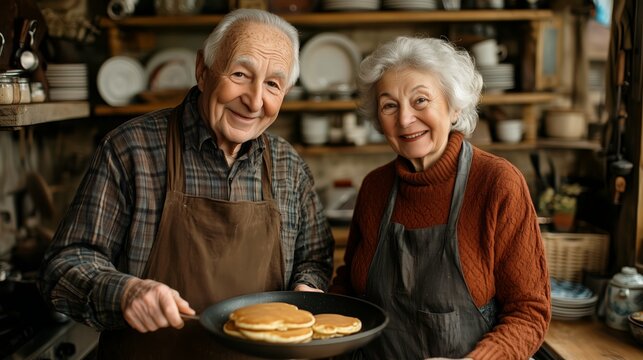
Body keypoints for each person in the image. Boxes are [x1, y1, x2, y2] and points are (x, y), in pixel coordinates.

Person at [38, 9, 334, 359]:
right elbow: (64, 266)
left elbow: (313, 258)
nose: (255, 101)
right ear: (203, 71)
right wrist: (125, 292)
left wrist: (307, 289)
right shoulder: (131, 150)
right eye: (240, 74)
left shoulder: (288, 165)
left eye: (272, 84)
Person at [330, 36, 551, 359]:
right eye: (390, 105)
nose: (405, 119)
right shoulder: (374, 188)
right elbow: (349, 286)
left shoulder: (497, 184)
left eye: (420, 101)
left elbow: (529, 312)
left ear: (454, 106)